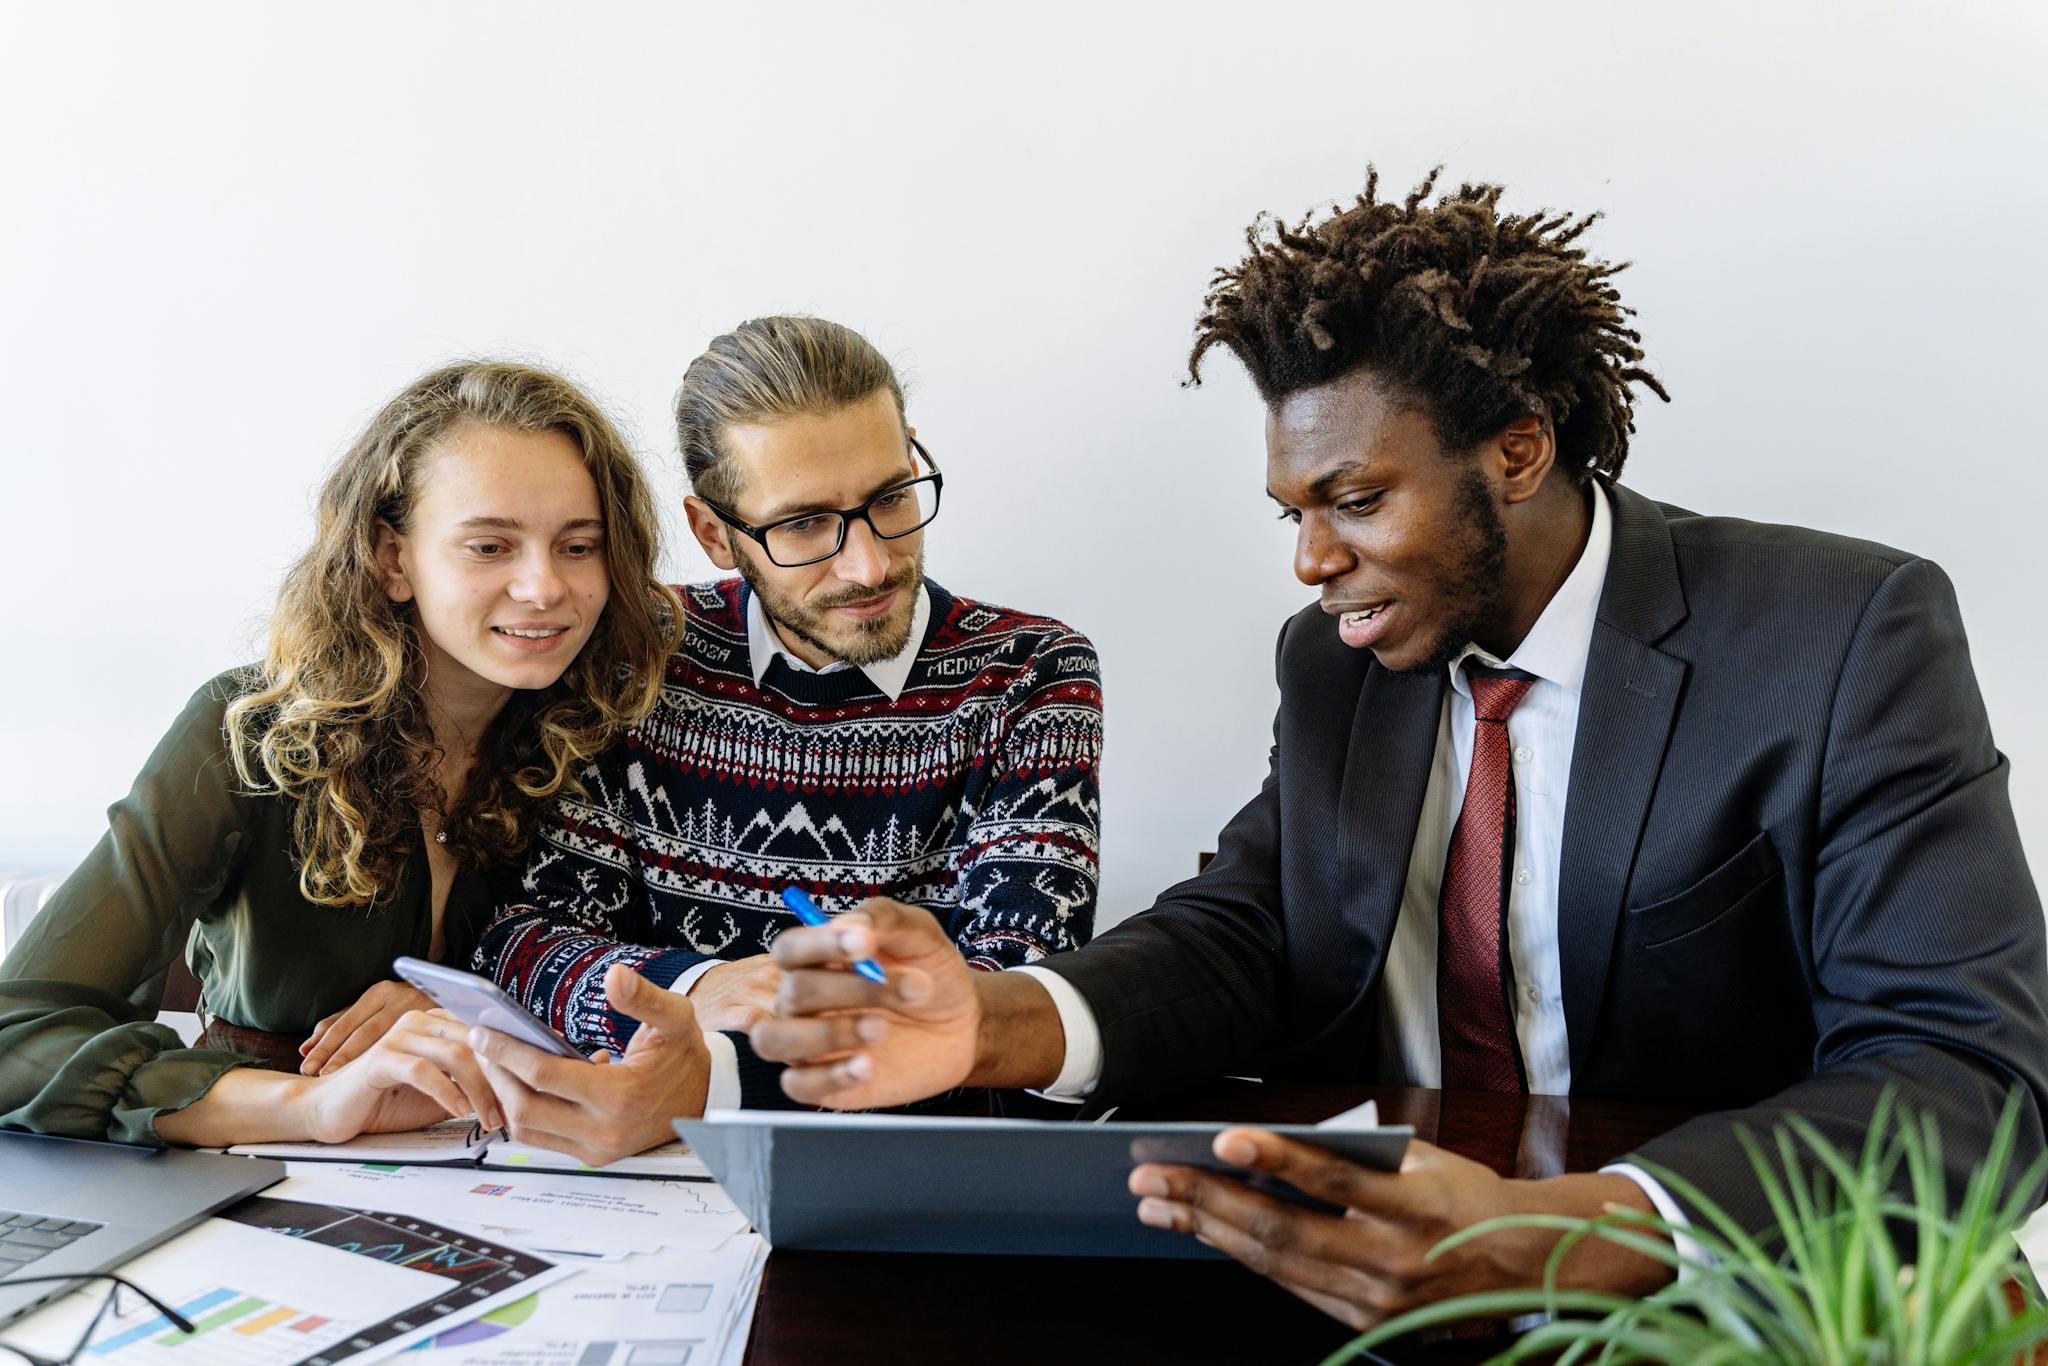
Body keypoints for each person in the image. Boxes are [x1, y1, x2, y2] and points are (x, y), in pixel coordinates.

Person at [749, 171, 2048, 1328]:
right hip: (1364, 1280)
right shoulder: (1338, 664)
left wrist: (1587, 1229)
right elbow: (1249, 930)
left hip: (1710, 1297)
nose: (1311, 560)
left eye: (1356, 501)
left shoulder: (1841, 634)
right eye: (1295, 511)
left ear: (1518, 449)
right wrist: (993, 1023)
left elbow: (1969, 1070)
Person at [465, 315, 1105, 1166]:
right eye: (803, 525)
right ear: (714, 534)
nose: (870, 566)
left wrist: (705, 1073)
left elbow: (1011, 1008)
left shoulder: (1033, 674)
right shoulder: (636, 653)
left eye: (890, 499)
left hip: (912, 1179)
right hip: (648, 1177)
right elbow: (520, 936)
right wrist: (704, 984)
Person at [0, 360, 681, 1148]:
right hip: (266, 1163)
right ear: (394, 560)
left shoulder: (614, 728)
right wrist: (315, 1107)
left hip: (546, 1170)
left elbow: (667, 981)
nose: (543, 587)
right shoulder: (247, 731)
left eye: (578, 546)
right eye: (490, 547)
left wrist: (478, 1006)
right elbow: (16, 1039)